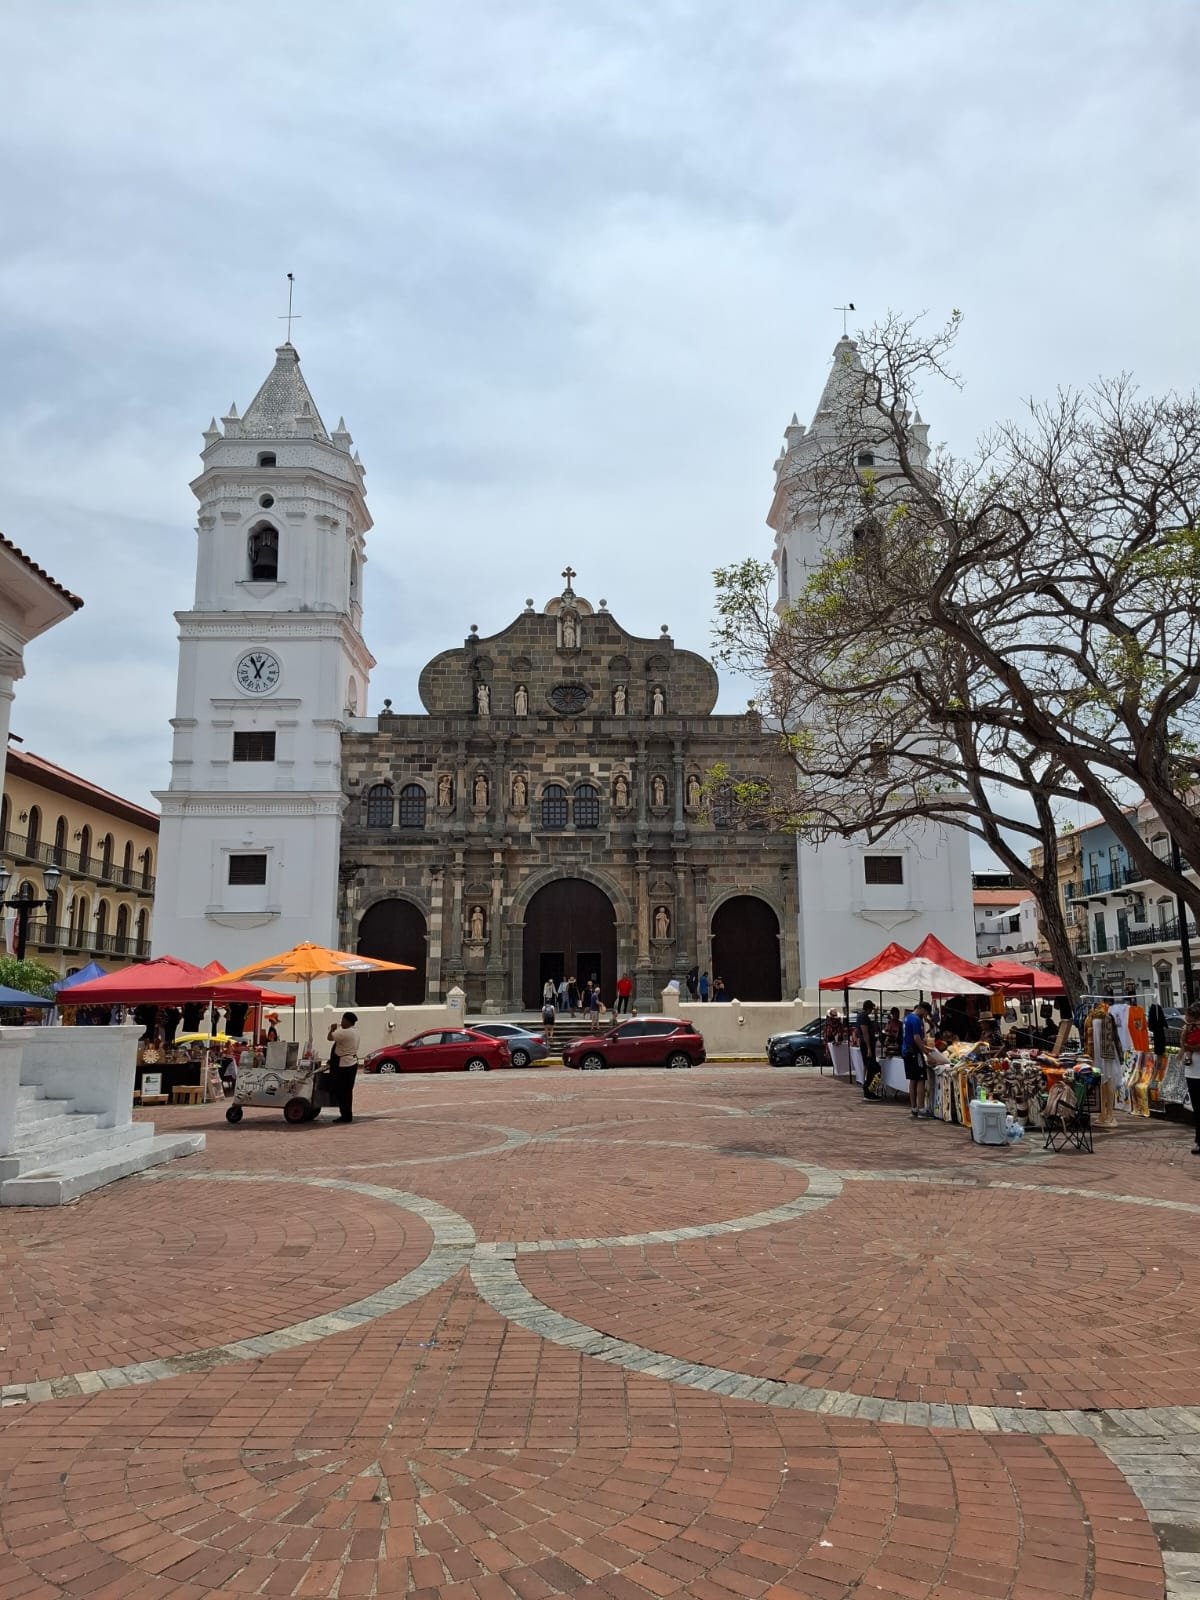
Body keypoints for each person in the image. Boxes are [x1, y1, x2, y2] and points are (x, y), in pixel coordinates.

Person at [326, 1011, 362, 1124]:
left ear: (347, 1021)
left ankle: (345, 1115)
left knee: (342, 1091)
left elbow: (329, 1037)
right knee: (347, 1091)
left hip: (344, 1064)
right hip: (352, 1062)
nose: (341, 1022)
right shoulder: (355, 1032)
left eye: (343, 1020)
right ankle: (347, 1114)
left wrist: (332, 1029)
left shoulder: (344, 1033)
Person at [903, 1002, 933, 1118]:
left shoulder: (907, 1018)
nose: (926, 1015)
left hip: (907, 1051)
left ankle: (914, 1107)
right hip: (914, 1053)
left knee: (912, 1080)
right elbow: (917, 1038)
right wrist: (925, 1051)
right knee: (920, 1079)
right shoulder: (916, 1020)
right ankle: (921, 1108)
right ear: (922, 1009)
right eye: (926, 1013)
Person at [1181, 1002, 1200, 1155]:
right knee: (1197, 1109)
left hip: (1194, 1071)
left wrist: (1191, 1047)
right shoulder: (1187, 1029)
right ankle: (1198, 1141)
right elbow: (1183, 1045)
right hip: (1192, 1072)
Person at [857, 999, 880, 1100]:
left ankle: (870, 1090)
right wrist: (869, 1048)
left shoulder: (864, 1017)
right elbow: (865, 1033)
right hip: (867, 1046)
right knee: (872, 1068)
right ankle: (868, 1090)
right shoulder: (863, 1017)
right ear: (869, 1008)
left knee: (872, 1068)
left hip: (868, 1045)